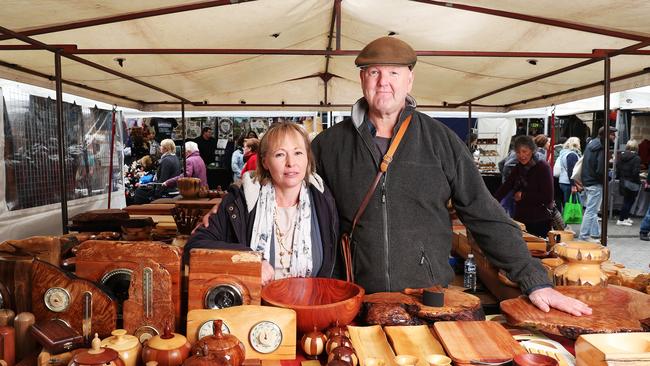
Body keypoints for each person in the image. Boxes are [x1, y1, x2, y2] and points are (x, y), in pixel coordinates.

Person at [310, 36, 590, 316]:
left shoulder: (441, 141)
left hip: (426, 301)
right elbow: (304, 218)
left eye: (394, 73)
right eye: (374, 72)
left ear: (409, 80)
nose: (384, 82)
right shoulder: (328, 145)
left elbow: (484, 213)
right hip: (354, 300)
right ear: (362, 79)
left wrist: (534, 279)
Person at [186, 122, 339, 285]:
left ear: (308, 158)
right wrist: (249, 261)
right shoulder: (242, 201)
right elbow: (194, 248)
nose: (291, 163)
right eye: (280, 154)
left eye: (298, 153)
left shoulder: (323, 199)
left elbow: (335, 264)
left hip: (311, 306)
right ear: (265, 161)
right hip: (255, 308)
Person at [494, 136, 554, 238]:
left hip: (539, 220)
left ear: (532, 150)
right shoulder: (518, 167)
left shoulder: (543, 167)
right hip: (521, 219)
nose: (521, 155)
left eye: (524, 151)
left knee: (536, 251)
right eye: (518, 152)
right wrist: (491, 202)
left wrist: (523, 195)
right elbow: (505, 187)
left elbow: (548, 197)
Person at [579, 126, 617, 242]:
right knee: (591, 210)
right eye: (612, 134)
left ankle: (596, 233)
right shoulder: (601, 147)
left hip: (588, 180)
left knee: (592, 209)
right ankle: (584, 236)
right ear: (607, 135)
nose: (614, 137)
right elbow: (600, 169)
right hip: (595, 182)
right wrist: (607, 178)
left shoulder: (592, 144)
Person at [133, 139, 181, 204]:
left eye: (161, 146)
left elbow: (163, 179)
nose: (159, 147)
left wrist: (156, 194)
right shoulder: (175, 158)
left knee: (138, 192)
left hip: (167, 190)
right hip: (172, 187)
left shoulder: (166, 160)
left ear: (166, 148)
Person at [616, 139, 641, 226]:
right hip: (632, 182)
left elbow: (617, 169)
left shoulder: (621, 156)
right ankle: (621, 219)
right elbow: (635, 172)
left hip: (623, 181)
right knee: (629, 201)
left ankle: (625, 217)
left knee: (627, 201)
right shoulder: (636, 158)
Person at [557, 137, 581, 203]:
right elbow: (571, 171)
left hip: (563, 181)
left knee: (567, 204)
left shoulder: (563, 153)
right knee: (572, 204)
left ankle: (566, 213)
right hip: (569, 183)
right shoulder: (572, 155)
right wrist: (573, 185)